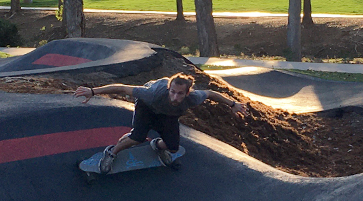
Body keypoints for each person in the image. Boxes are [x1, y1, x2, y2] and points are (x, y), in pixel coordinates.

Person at [74, 73, 248, 173]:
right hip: (147, 108)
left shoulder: (194, 97)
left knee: (173, 147)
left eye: (180, 94)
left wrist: (233, 104)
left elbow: (210, 93)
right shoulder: (152, 93)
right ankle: (111, 153)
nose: (175, 97)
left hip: (168, 115)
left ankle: (157, 145)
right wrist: (92, 91)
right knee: (138, 137)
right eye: (173, 92)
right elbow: (122, 88)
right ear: (168, 89)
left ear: (187, 93)